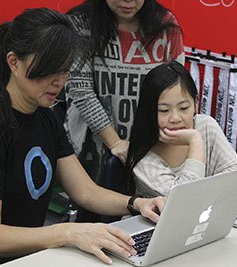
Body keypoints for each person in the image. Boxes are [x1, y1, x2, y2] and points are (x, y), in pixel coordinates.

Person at [0, 8, 166, 267]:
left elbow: (85, 191)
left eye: (64, 71)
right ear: (13, 61)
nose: (58, 82)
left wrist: (138, 203)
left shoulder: (46, 117)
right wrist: (67, 233)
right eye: (48, 70)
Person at [64, 0, 184, 222]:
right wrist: (115, 142)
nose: (127, 2)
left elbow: (177, 86)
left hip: (149, 148)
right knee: (92, 220)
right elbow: (81, 90)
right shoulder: (80, 24)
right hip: (93, 151)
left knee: (147, 221)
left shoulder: (165, 25)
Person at [124, 61, 237, 198]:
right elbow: (185, 199)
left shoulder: (206, 125)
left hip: (210, 213)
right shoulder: (141, 153)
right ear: (148, 111)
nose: (175, 118)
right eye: (163, 110)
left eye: (184, 108)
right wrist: (195, 141)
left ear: (195, 104)